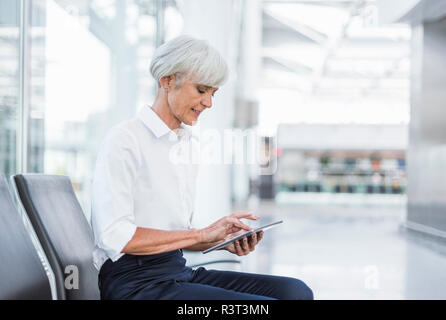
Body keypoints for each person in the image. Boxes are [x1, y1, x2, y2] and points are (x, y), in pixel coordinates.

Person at [91, 35, 313, 300]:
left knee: (296, 292)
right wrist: (200, 234)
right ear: (167, 80)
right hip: (135, 284)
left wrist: (220, 240)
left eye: (213, 93)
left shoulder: (184, 144)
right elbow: (117, 238)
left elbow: (175, 236)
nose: (209, 103)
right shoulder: (125, 139)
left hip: (175, 271)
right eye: (201, 90)